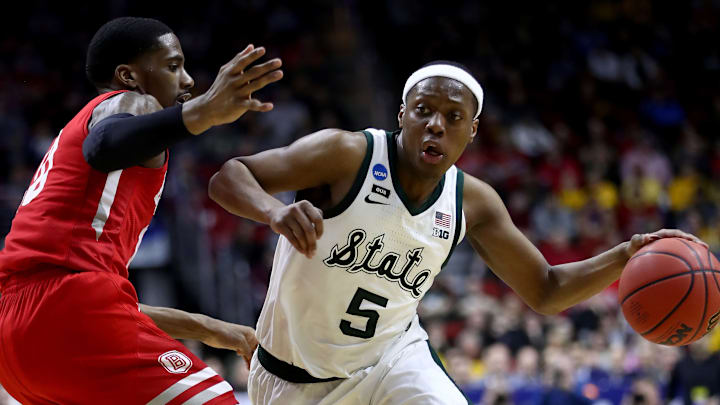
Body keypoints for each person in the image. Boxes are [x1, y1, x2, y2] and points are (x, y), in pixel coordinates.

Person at [208, 61, 703, 404]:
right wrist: (273, 212)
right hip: (292, 380)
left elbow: (546, 291)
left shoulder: (474, 201)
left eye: (453, 117)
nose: (436, 126)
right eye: (423, 111)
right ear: (402, 116)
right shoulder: (345, 154)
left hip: (392, 360)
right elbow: (228, 176)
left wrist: (623, 256)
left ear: (473, 131)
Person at [0, 17, 282, 404]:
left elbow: (100, 303)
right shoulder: (128, 102)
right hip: (63, 315)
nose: (186, 81)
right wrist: (205, 111)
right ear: (128, 76)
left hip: (14, 339)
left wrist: (211, 329)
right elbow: (103, 146)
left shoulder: (75, 134)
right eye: (172, 65)